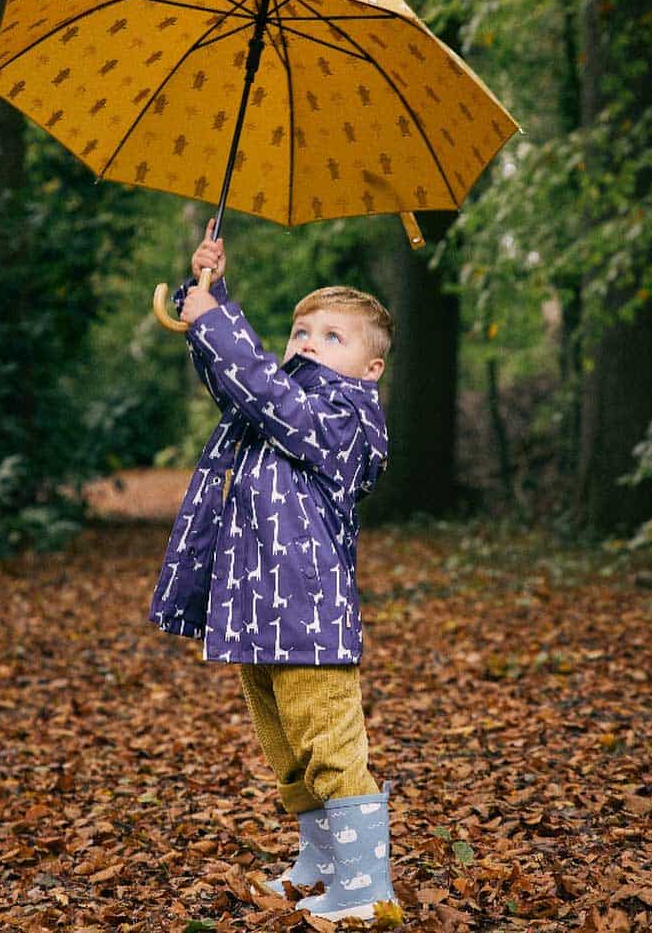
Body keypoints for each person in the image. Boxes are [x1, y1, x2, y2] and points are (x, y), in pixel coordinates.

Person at [148, 220, 398, 923]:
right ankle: (320, 869)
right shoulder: (273, 401)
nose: (308, 345)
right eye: (302, 333)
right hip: (255, 611)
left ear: (370, 367)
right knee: (287, 753)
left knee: (328, 747)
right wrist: (211, 294)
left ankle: (366, 889)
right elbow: (241, 384)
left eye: (332, 336)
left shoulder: (348, 419)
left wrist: (219, 321)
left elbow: (267, 392)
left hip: (308, 616)